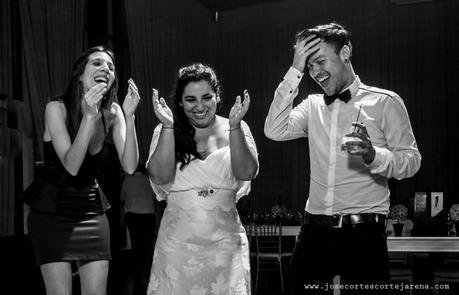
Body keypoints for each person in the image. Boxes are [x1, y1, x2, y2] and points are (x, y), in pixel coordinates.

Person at [264, 22, 421, 294]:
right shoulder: (312, 105)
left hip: (363, 237)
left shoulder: (385, 102)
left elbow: (411, 161)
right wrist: (294, 71)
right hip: (313, 232)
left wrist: (374, 155)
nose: (315, 72)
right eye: (308, 65)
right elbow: (274, 130)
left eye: (320, 61)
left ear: (345, 53)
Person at [27, 46, 140, 295]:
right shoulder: (56, 108)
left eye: (110, 67)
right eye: (97, 63)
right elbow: (72, 166)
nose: (105, 69)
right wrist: (89, 117)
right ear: (80, 74)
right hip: (51, 212)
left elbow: (130, 166)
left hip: (90, 209)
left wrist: (130, 118)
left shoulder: (113, 112)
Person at [146, 63, 259, 294]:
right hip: (177, 244)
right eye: (190, 99)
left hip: (226, 243)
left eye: (206, 97)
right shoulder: (166, 129)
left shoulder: (235, 126)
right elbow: (158, 176)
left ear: (217, 96)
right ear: (180, 102)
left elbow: (247, 172)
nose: (199, 106)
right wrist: (168, 126)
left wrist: (236, 127)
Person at [120, 164, 157, 295]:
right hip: (148, 215)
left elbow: (122, 198)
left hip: (132, 216)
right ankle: (146, 273)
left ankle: (136, 272)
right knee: (147, 246)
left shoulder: (127, 180)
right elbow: (155, 197)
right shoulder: (149, 180)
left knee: (135, 245)